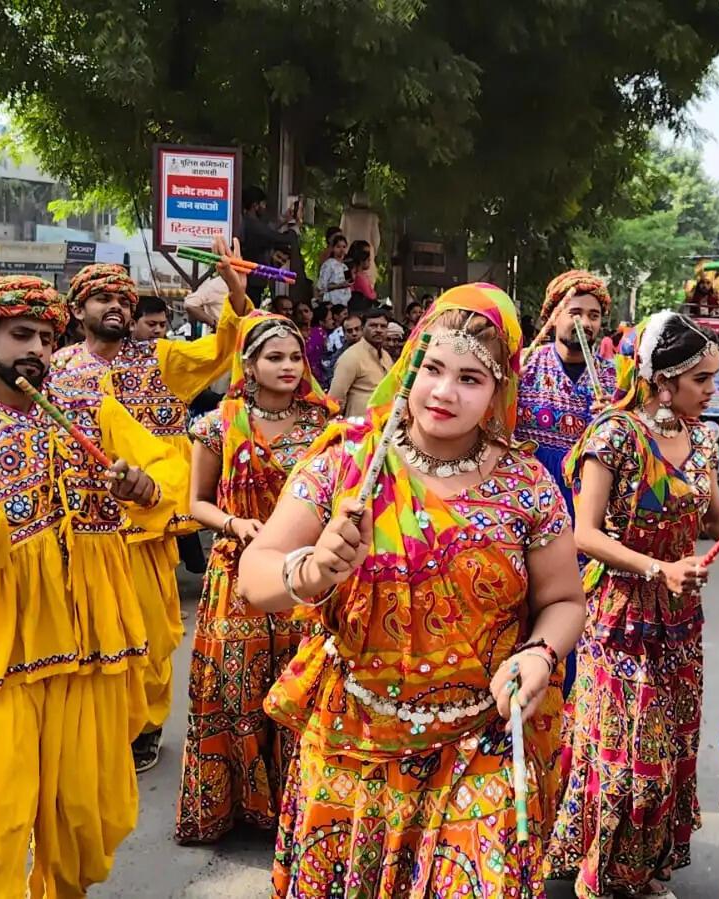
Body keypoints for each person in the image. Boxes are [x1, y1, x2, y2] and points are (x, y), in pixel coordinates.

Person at [236, 284, 586, 896]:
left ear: (500, 387)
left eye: (471, 378)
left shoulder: (527, 483)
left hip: (480, 740)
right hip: (354, 741)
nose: (445, 393)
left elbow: (562, 601)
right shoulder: (348, 460)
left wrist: (539, 654)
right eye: (433, 368)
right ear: (412, 366)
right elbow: (256, 572)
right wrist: (313, 572)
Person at [0, 275, 178, 897]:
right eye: (19, 335)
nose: (34, 347)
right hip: (5, 649)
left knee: (86, 814)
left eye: (43, 336)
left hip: (92, 648)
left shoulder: (94, 412)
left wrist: (142, 488)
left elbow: (166, 474)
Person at [547, 311, 719, 899]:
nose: (712, 391)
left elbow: (716, 521)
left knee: (668, 751)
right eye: (702, 379)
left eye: (715, 378)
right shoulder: (614, 435)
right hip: (618, 616)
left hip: (678, 624)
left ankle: (637, 872)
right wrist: (658, 568)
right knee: (626, 760)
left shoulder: (703, 439)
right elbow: (585, 534)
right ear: (664, 379)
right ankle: (600, 874)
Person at [51, 245, 247, 773]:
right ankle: (100, 722)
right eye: (102, 298)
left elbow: (223, 348)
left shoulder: (160, 359)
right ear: (78, 310)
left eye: (122, 299)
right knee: (89, 629)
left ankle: (147, 724)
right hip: (80, 523)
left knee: (151, 632)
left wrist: (232, 289)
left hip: (144, 524)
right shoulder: (56, 370)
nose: (115, 306)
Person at [176, 312, 336, 844]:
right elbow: (194, 502)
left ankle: (296, 803)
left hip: (304, 574)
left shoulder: (324, 425)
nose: (289, 366)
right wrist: (233, 522)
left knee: (301, 686)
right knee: (235, 688)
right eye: (275, 357)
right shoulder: (217, 423)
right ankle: (237, 808)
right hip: (236, 574)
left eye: (295, 357)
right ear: (249, 364)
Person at [516, 270, 620, 514]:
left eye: (593, 316)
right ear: (552, 318)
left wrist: (616, 418)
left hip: (589, 509)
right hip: (529, 500)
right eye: (575, 313)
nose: (585, 323)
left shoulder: (616, 379)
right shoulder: (524, 367)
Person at [327, 305, 393, 417]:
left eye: (383, 326)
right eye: (373, 325)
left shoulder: (386, 357)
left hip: (383, 426)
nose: (378, 330)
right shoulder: (350, 357)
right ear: (363, 328)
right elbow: (334, 400)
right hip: (358, 428)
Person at [240, 186, 300, 307]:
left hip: (251, 280)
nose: (264, 207)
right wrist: (296, 226)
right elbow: (279, 238)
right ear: (255, 205)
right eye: (263, 204)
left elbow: (268, 231)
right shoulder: (254, 226)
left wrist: (284, 220)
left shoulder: (249, 223)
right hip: (252, 282)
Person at [316, 232, 352, 307]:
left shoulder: (345, 267)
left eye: (344, 247)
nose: (342, 250)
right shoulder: (328, 264)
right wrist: (339, 286)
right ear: (333, 248)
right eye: (338, 247)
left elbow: (348, 284)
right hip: (331, 304)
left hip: (344, 304)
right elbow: (321, 286)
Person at [302, 303, 330, 385]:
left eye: (306, 311)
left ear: (311, 313)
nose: (303, 314)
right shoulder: (293, 334)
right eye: (299, 312)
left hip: (320, 376)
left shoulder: (320, 332)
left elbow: (326, 353)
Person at [346, 239, 377, 306]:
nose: (369, 258)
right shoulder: (359, 277)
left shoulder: (358, 275)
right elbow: (371, 296)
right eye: (366, 254)